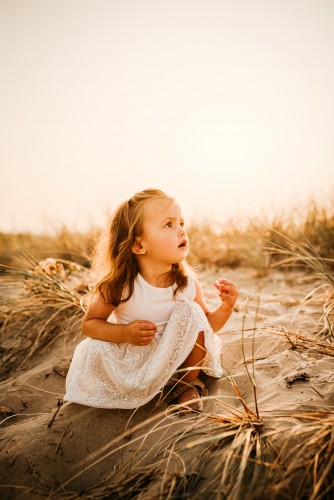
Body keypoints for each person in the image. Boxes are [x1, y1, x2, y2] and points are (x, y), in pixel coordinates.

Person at [64, 188, 238, 413]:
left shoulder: (186, 284)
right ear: (138, 245)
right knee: (91, 350)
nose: (181, 231)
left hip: (178, 361)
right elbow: (89, 325)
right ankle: (128, 391)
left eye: (182, 223)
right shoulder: (120, 286)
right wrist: (124, 333)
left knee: (192, 313)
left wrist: (226, 307)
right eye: (169, 224)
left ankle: (184, 385)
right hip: (137, 362)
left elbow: (205, 327)